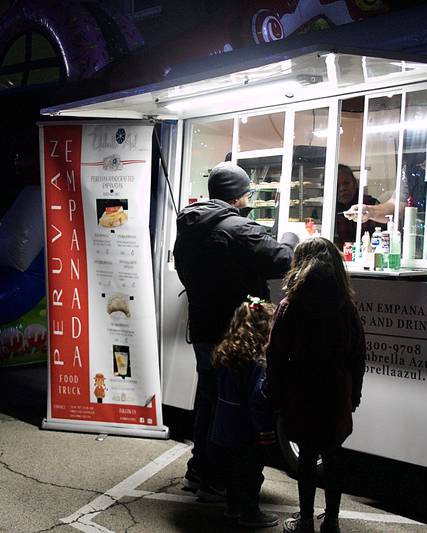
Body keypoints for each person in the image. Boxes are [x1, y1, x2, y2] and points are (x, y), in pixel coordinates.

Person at [173, 161, 296, 501]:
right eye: (247, 195)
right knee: (232, 406)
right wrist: (291, 235)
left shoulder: (189, 225)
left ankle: (199, 472)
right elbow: (283, 258)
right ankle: (219, 479)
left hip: (201, 328)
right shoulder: (240, 229)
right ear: (239, 196)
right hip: (234, 332)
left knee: (208, 400)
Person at [265, 237, 367, 533]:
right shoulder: (345, 307)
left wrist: (276, 392)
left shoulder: (290, 306)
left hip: (301, 391)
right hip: (336, 392)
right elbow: (357, 355)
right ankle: (332, 521)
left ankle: (305, 520)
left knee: (307, 457)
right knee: (334, 456)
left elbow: (275, 353)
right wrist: (354, 394)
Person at [210, 297, 278, 528]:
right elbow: (259, 398)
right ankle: (250, 513)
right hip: (247, 428)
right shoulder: (258, 362)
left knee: (232, 471)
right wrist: (266, 430)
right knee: (252, 474)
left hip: (224, 424)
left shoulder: (224, 352)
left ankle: (232, 508)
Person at [333, 164, 378, 248]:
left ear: (354, 183)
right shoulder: (328, 209)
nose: (342, 188)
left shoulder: (370, 204)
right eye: (337, 185)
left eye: (346, 183)